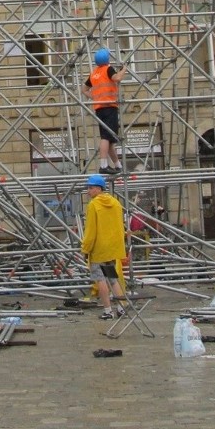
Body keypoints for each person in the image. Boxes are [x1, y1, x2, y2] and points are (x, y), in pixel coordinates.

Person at [80, 173, 128, 318]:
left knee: (100, 279)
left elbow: (91, 230)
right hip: (112, 249)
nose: (88, 191)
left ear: (98, 188)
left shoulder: (93, 205)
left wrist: (86, 249)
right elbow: (120, 226)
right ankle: (121, 308)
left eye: (90, 188)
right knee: (113, 278)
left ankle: (107, 311)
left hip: (99, 250)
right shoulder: (115, 202)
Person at [83, 47, 127, 175]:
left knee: (110, 139)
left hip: (99, 108)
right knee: (106, 137)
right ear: (107, 59)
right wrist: (124, 69)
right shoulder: (108, 69)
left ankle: (118, 166)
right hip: (109, 106)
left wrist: (96, 98)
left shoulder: (94, 73)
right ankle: (103, 165)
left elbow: (84, 89)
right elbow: (117, 79)